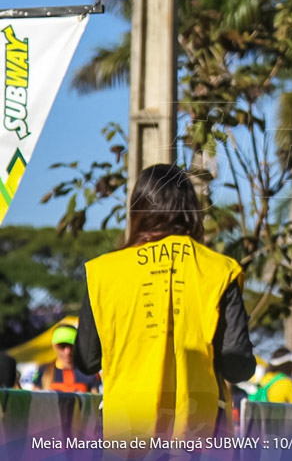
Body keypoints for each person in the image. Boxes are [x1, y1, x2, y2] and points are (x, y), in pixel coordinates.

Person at [74, 164, 256, 441]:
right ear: (190, 211)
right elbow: (237, 365)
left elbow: (87, 362)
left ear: (138, 210)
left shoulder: (102, 273)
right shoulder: (220, 270)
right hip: (200, 436)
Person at [30, 325, 99, 393]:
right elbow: (34, 400)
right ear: (54, 345)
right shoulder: (43, 370)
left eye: (72, 346)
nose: (67, 351)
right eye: (62, 346)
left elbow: (96, 401)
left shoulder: (88, 372)